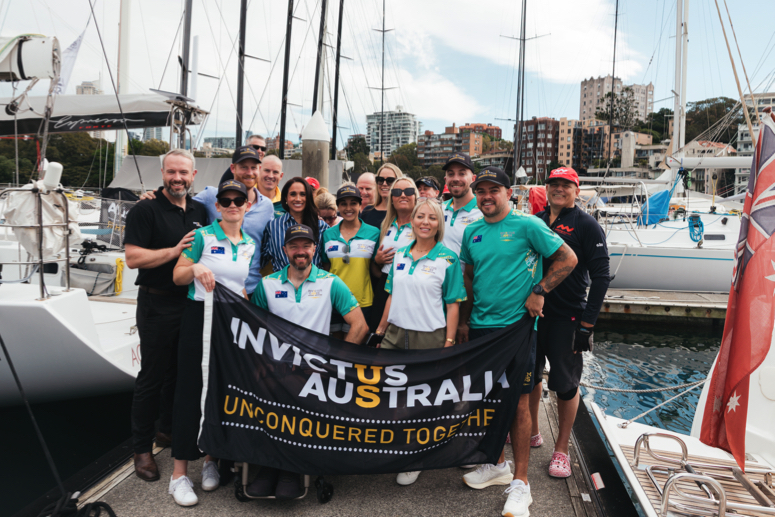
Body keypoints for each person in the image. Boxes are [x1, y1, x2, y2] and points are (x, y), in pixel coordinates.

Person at [457, 166, 577, 517]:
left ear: (509, 193)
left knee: (520, 404)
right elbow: (468, 274)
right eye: (482, 191)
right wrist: (464, 321)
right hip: (480, 330)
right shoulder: (472, 232)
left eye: (494, 190)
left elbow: (568, 259)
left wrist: (540, 290)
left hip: (517, 329)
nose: (487, 196)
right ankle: (496, 465)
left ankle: (521, 483)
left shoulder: (528, 225)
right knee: (488, 399)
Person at [249, 224, 368, 498]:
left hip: (314, 372)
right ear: (285, 250)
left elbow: (359, 326)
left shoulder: (330, 282)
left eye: (306, 246)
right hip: (276, 366)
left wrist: (335, 363)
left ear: (315, 249)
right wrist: (261, 363)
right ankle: (270, 467)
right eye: (294, 246)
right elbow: (253, 329)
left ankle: (289, 469)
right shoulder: (267, 285)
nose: (300, 251)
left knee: (295, 397)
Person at [168, 180, 256, 506]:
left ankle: (210, 460)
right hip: (198, 317)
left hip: (229, 323)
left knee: (221, 391)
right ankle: (178, 474)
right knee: (190, 390)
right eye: (226, 200)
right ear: (217, 206)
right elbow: (178, 275)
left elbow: (241, 288)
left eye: (239, 200)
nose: (232, 205)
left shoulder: (249, 243)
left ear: (247, 205)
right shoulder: (202, 236)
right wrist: (196, 266)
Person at [124, 149, 209, 482]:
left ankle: (167, 431)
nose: (178, 178)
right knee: (152, 376)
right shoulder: (145, 209)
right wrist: (174, 252)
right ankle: (141, 448)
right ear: (162, 173)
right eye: (172, 172)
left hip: (189, 303)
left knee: (180, 373)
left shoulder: (201, 210)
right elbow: (132, 258)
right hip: (157, 303)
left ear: (194, 175)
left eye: (183, 173)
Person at [375, 197, 466, 486]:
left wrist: (449, 342)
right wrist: (379, 331)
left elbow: (453, 304)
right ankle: (396, 444)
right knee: (389, 393)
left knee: (421, 398)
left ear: (439, 224)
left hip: (429, 337)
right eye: (420, 217)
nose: (425, 222)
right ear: (412, 220)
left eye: (432, 218)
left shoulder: (448, 258)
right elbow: (392, 295)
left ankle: (416, 456)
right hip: (394, 334)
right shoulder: (400, 254)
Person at [529, 167, 610, 478]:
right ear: (547, 188)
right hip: (534, 314)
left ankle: (561, 449)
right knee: (531, 376)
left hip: (568, 316)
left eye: (566, 185)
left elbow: (601, 277)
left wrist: (587, 325)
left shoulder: (586, 224)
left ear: (577, 190)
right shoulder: (535, 220)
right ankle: (534, 431)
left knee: (565, 385)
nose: (558, 189)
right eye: (553, 184)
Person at [137, 146, 275, 298]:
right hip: (211, 289)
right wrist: (156, 197)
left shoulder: (267, 206)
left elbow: (267, 244)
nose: (249, 172)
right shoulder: (211, 195)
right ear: (233, 168)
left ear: (259, 169)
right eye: (243, 167)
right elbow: (179, 201)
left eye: (253, 167)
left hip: (249, 288)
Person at [321, 185, 380, 338]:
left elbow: (375, 271)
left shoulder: (374, 233)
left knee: (353, 352)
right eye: (343, 204)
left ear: (360, 205)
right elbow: (326, 269)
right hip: (333, 301)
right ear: (338, 207)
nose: (348, 208)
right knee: (333, 349)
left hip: (362, 301)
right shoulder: (327, 234)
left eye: (353, 203)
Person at [368, 176, 418, 332]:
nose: (403, 195)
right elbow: (375, 270)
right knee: (377, 337)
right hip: (384, 286)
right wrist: (377, 261)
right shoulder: (386, 225)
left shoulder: (422, 225)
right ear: (391, 198)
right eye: (397, 191)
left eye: (408, 191)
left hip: (410, 288)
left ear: (415, 196)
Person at [261, 177, 329, 273]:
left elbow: (328, 262)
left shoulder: (321, 226)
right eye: (293, 194)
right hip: (281, 285)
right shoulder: (273, 227)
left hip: (314, 285)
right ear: (285, 198)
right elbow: (260, 260)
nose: (298, 199)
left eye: (303, 194)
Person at [440, 154, 483, 266]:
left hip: (469, 281)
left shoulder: (483, 212)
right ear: (446, 180)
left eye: (462, 173)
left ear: (473, 179)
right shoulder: (438, 209)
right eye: (451, 174)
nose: (455, 179)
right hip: (438, 281)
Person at [361, 163, 403, 228]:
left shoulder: (403, 212)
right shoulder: (367, 211)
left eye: (390, 180)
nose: (384, 184)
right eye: (380, 180)